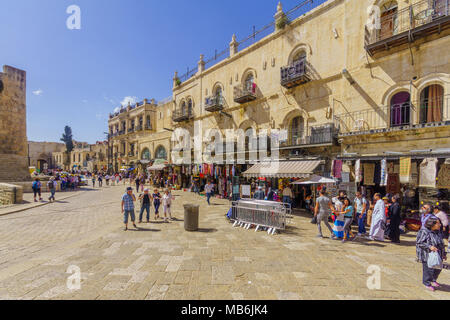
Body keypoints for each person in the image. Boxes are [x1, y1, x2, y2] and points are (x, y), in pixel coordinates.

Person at [416, 216, 447, 292]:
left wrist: (444, 253)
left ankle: (433, 280)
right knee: (428, 269)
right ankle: (427, 283)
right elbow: (419, 243)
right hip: (427, 254)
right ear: (431, 224)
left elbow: (441, 243)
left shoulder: (438, 232)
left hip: (438, 253)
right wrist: (429, 247)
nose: (440, 225)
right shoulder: (424, 231)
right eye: (438, 223)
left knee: (438, 268)